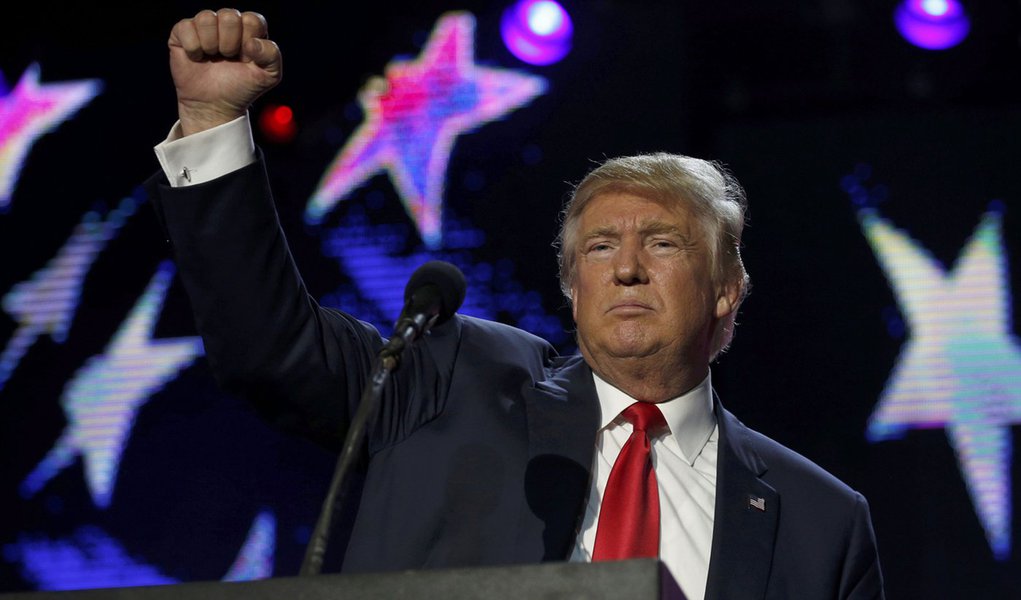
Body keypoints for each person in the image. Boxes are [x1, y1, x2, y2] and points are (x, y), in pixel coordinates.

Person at [148, 9, 884, 600]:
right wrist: (212, 123)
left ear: (728, 288)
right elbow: (266, 346)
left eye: (662, 244)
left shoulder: (819, 520)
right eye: (597, 248)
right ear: (571, 286)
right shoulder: (451, 375)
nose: (625, 267)